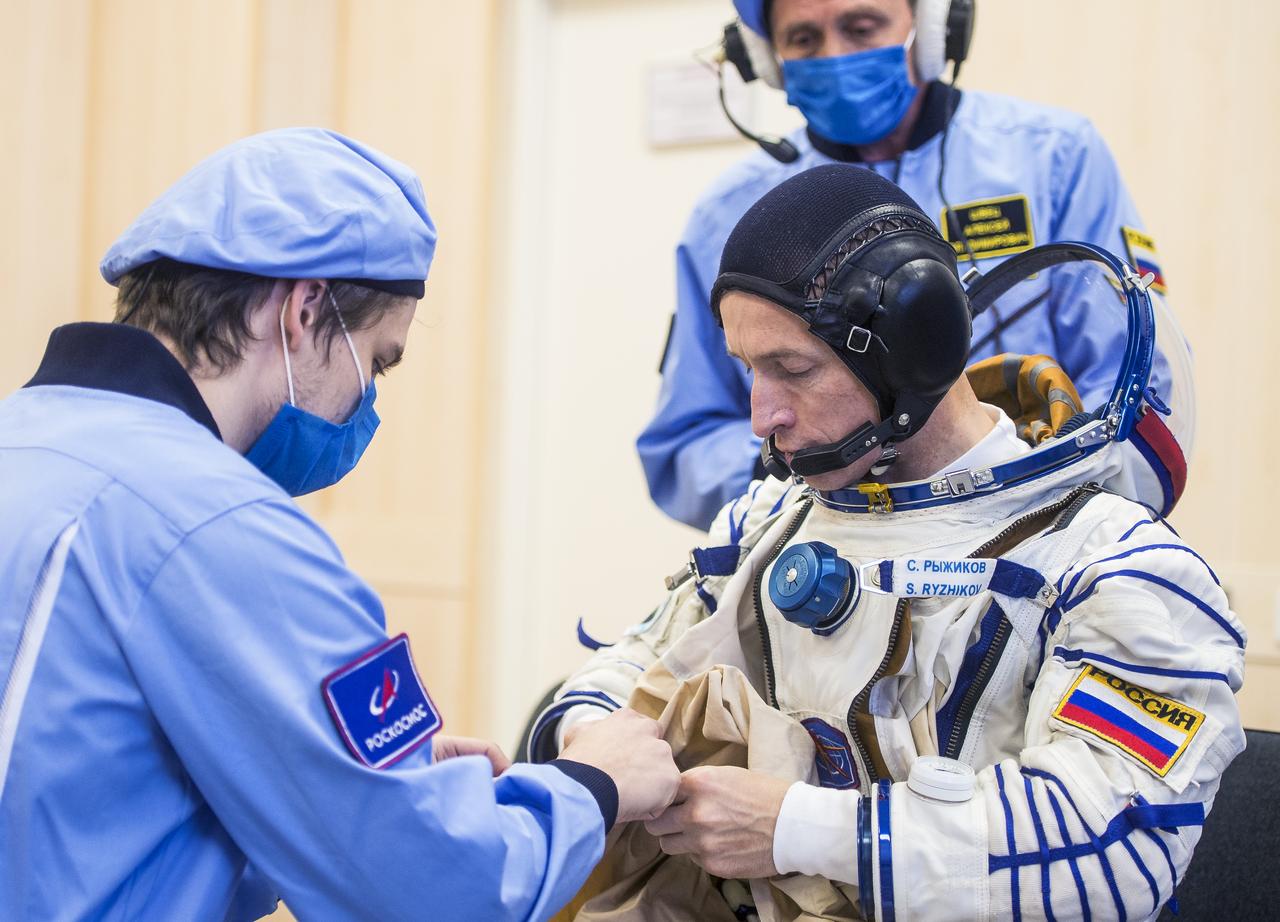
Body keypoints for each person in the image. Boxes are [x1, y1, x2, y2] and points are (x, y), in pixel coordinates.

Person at [0, 128, 680, 921]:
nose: (365, 404)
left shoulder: (27, 445)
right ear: (304, 309)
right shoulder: (222, 526)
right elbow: (427, 890)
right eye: (377, 361)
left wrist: (345, 778)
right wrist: (590, 785)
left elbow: (82, 788)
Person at [536, 165, 1243, 921]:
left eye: (793, 369)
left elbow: (1112, 850)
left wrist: (795, 830)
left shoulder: (1111, 568)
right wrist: (597, 742)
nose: (761, 416)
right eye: (750, 369)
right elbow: (636, 660)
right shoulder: (766, 524)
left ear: (916, 352)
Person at [638, 0, 1175, 529]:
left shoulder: (1055, 158)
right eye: (803, 39)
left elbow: (1134, 372)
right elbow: (684, 446)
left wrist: (1032, 486)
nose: (836, 55)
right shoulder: (730, 214)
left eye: (862, 26)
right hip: (837, 553)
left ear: (936, 25)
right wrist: (813, 464)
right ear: (766, 58)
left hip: (1031, 528)